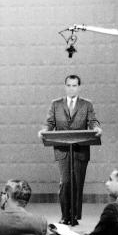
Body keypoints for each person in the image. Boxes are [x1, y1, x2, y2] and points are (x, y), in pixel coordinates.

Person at [41, 74, 102, 226]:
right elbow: (49, 123)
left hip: (80, 151)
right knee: (65, 183)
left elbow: (93, 121)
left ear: (79, 87)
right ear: (65, 86)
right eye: (68, 85)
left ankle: (74, 216)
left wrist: (96, 128)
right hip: (62, 151)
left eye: (74, 85)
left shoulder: (87, 104)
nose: (71, 88)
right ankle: (64, 215)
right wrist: (44, 130)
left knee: (77, 183)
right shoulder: (56, 104)